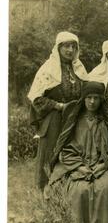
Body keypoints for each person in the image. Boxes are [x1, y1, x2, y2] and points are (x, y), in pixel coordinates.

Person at [48, 81, 108, 223]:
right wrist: (80, 167)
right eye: (89, 98)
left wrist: (103, 166)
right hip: (78, 166)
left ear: (101, 100)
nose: (92, 102)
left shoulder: (106, 122)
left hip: (103, 166)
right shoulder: (74, 122)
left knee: (107, 188)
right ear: (83, 99)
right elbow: (65, 150)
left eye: (96, 98)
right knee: (79, 191)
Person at [28, 31, 89, 191]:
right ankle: (46, 193)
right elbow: (36, 98)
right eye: (66, 46)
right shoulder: (48, 69)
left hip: (74, 120)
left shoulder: (79, 68)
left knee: (72, 155)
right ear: (58, 48)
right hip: (54, 120)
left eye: (73, 47)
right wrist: (59, 106)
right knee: (51, 155)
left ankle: (69, 192)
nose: (70, 50)